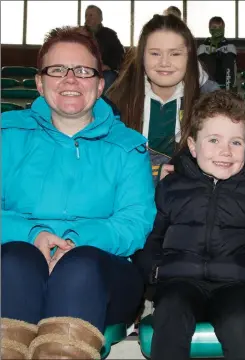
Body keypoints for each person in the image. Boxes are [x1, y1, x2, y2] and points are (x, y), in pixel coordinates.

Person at [1, 26, 156, 360]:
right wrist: (33, 234)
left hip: (104, 270)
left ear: (100, 85)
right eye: (57, 70)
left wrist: (73, 240)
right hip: (14, 263)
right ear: (40, 83)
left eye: (83, 71)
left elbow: (134, 222)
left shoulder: (129, 147)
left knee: (80, 265)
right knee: (15, 260)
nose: (71, 79)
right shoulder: (6, 134)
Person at [132, 90, 245, 360]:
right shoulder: (172, 186)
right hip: (180, 282)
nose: (225, 151)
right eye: (213, 140)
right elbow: (150, 237)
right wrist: (154, 271)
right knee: (170, 315)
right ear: (192, 146)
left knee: (241, 324)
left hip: (235, 285)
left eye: (236, 142)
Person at [106, 14, 218, 181]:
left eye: (175, 54)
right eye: (155, 53)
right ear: (142, 56)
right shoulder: (115, 101)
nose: (164, 62)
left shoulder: (209, 103)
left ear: (189, 57)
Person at [84, 5, 125, 93]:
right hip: (83, 69)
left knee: (108, 79)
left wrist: (109, 66)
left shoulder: (109, 34)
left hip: (104, 72)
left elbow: (119, 54)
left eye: (91, 15)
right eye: (86, 15)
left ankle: (102, 106)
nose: (87, 18)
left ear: (100, 19)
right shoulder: (79, 34)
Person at [197, 16, 237, 88]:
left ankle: (228, 88)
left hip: (224, 78)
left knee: (228, 58)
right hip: (208, 80)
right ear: (210, 29)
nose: (217, 30)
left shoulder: (230, 46)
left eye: (220, 28)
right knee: (208, 59)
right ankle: (209, 87)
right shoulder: (202, 47)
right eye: (214, 28)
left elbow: (231, 64)